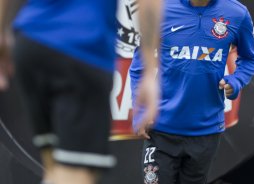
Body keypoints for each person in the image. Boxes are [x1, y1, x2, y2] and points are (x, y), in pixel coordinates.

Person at [0, 0, 161, 184]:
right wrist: (149, 71)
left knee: (55, 168)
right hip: (81, 47)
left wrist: (2, 31)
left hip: (30, 42)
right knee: (77, 174)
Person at [130, 0, 254, 183]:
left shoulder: (236, 13)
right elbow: (138, 67)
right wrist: (141, 110)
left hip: (206, 132)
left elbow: (252, 57)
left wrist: (236, 80)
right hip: (160, 131)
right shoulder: (161, 9)